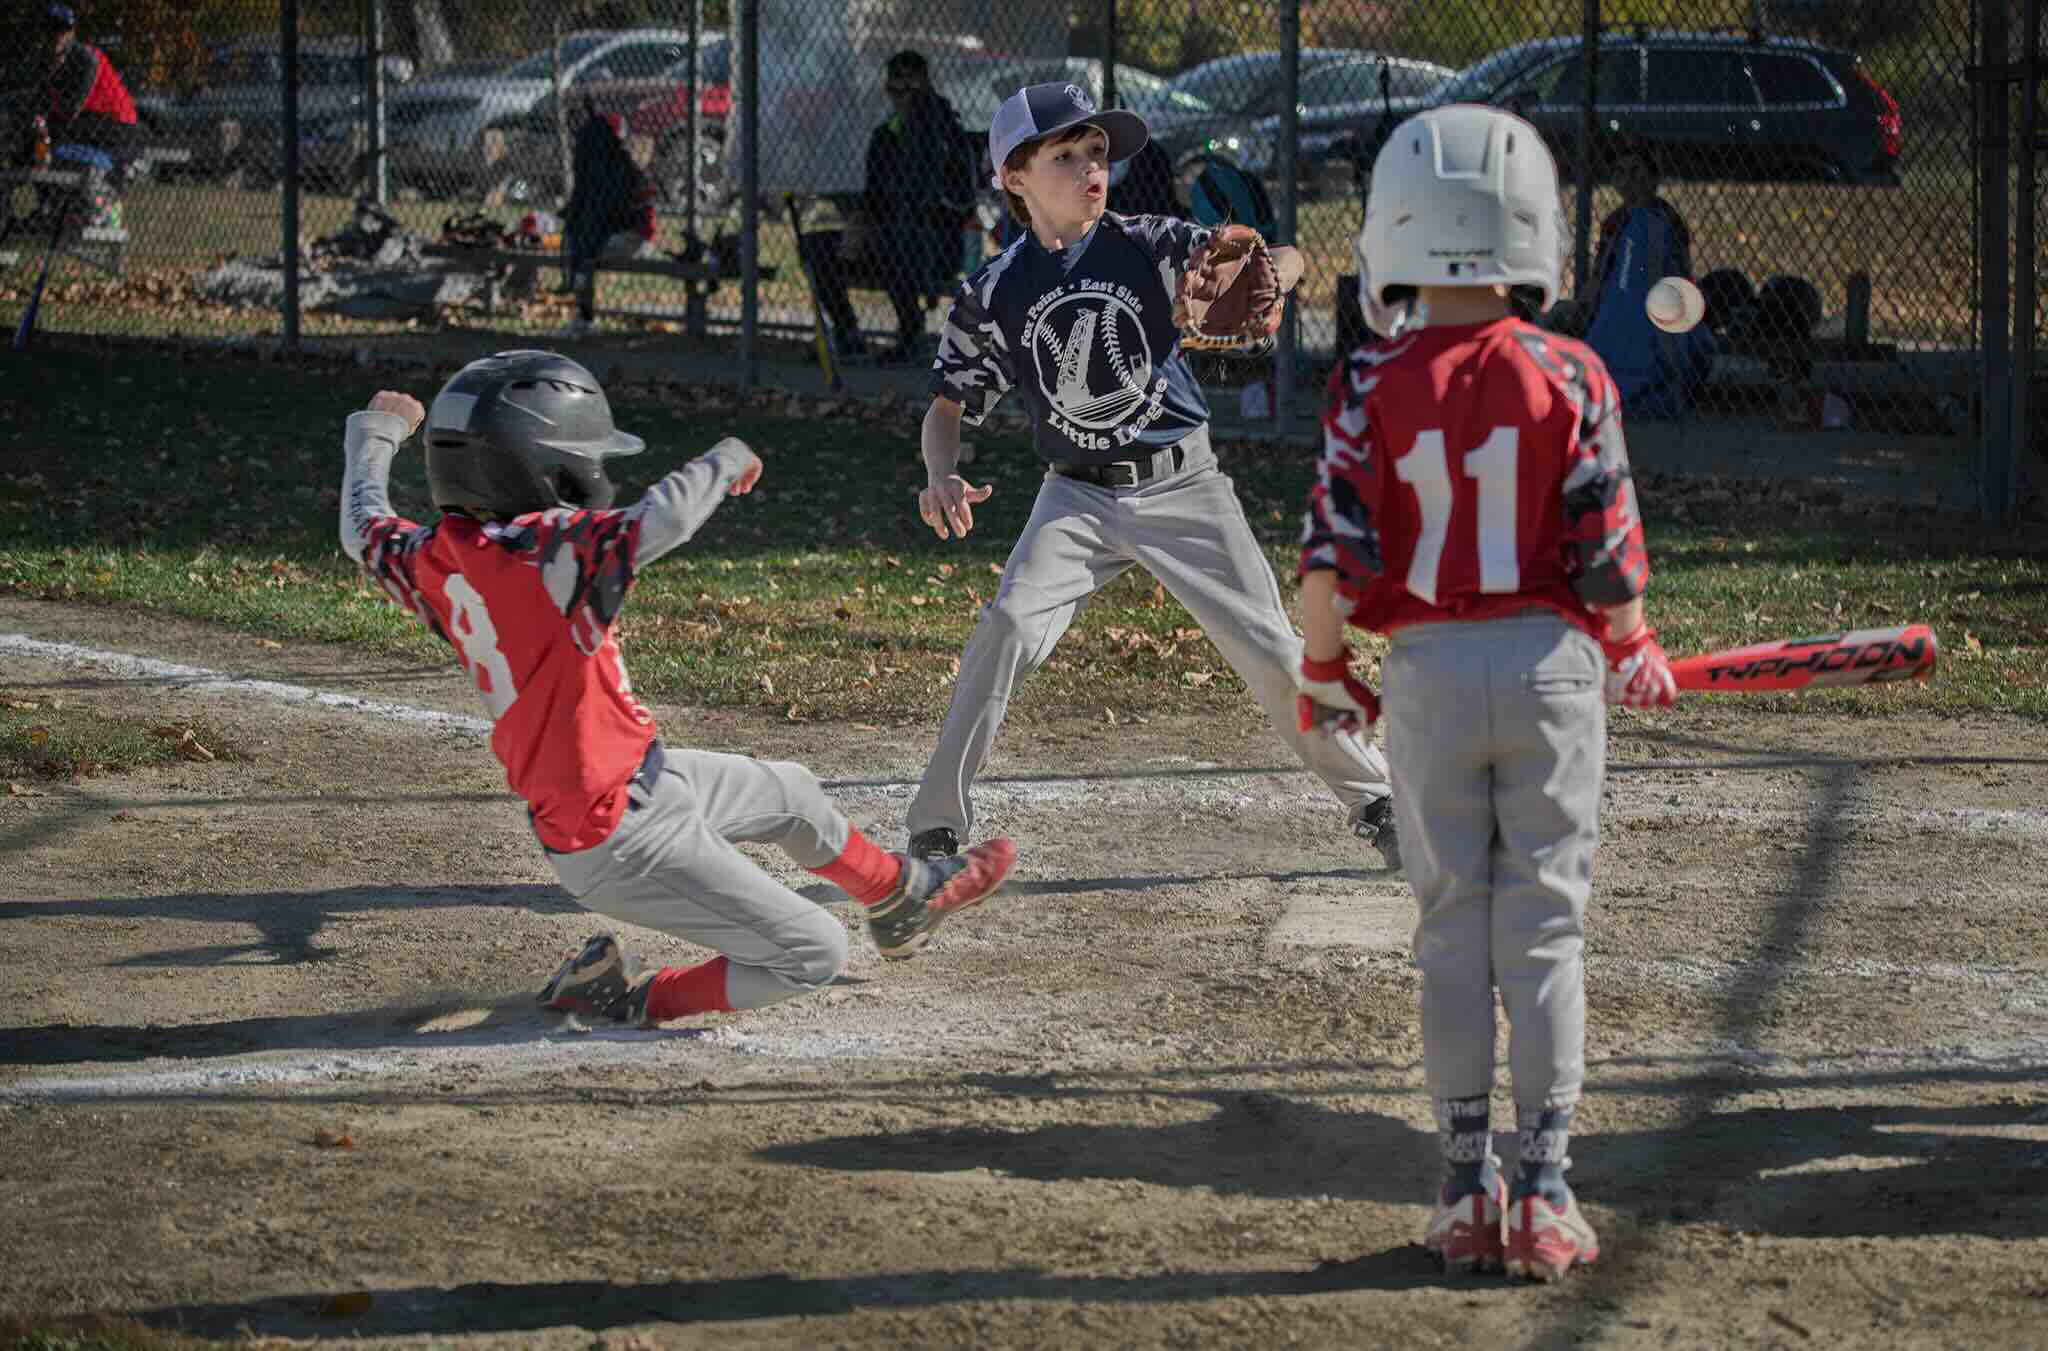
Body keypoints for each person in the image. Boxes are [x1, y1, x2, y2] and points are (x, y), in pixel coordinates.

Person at [339, 350, 1018, 1027]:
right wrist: (726, 456)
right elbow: (659, 519)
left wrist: (373, 432)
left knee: (791, 794)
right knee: (813, 949)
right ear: (543, 466)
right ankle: (631, 999)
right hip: (618, 837)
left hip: (638, 789)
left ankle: (900, 898)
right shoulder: (547, 552)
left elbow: (360, 527)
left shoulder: (438, 557)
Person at [1298, 105, 1673, 1280]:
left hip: (1424, 680)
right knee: (1544, 928)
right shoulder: (1572, 370)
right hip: (1552, 670)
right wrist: (1633, 642)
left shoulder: (1368, 378)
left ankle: (1465, 1186)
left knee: (1449, 929)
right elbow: (1603, 544)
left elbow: (1327, 559)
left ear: (1394, 234)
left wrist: (1322, 670)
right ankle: (1548, 1188)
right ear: (1533, 236)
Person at [909, 80, 1397, 868]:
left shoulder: (1150, 243)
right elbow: (947, 405)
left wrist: (1273, 267)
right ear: (1014, 178)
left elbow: (1275, 255)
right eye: (1066, 155)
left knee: (1271, 649)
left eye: (1098, 152)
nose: (1092, 168)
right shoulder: (996, 291)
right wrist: (940, 472)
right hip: (1074, 494)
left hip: (1183, 484)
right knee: (1005, 628)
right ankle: (934, 823)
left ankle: (1377, 802)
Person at [795, 49, 977, 364]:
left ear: (925, 84)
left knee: (897, 239)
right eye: (896, 88)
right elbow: (875, 198)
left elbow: (952, 202)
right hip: (882, 239)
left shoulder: (945, 133)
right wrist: (858, 222)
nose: (903, 97)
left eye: (912, 87)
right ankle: (847, 332)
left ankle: (911, 335)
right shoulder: (885, 136)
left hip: (933, 246)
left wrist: (883, 226)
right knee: (815, 245)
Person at [1580, 141, 1709, 418]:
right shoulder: (1614, 222)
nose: (1630, 182)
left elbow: (1681, 274)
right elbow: (1599, 277)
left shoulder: (1666, 219)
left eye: (1638, 172)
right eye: (1621, 173)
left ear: (1653, 178)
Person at [561, 107, 658, 338]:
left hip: (632, 237)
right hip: (607, 234)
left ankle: (584, 318)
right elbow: (583, 211)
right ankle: (582, 314)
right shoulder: (593, 170)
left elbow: (614, 217)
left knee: (586, 250)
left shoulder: (621, 170)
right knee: (576, 242)